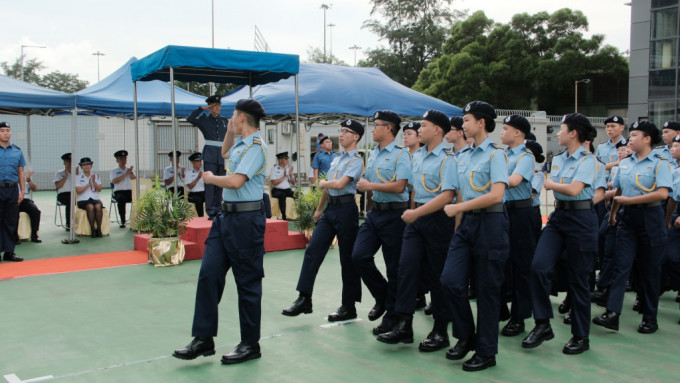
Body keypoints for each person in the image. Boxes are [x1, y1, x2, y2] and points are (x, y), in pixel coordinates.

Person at [173, 98, 268, 365]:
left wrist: (211, 178)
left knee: (247, 283)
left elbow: (236, 181)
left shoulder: (256, 147)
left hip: (246, 221)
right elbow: (225, 153)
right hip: (225, 218)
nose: (230, 119)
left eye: (233, 116)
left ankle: (250, 343)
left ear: (242, 118)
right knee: (208, 275)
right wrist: (228, 131)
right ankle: (203, 338)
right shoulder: (239, 144)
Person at [378, 110, 457, 354]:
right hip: (417, 219)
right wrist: (412, 212)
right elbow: (414, 189)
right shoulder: (417, 156)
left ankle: (440, 331)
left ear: (437, 130)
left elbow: (447, 195)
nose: (418, 130)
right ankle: (404, 325)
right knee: (406, 268)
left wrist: (416, 213)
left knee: (437, 275)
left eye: (423, 126)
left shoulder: (448, 158)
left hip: (437, 219)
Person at [439, 102, 508, 372]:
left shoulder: (496, 155)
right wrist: (459, 220)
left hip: (491, 223)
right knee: (450, 281)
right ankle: (467, 335)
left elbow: (496, 194)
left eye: (466, 120)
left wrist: (458, 209)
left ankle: (486, 351)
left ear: (481, 123)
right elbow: (459, 192)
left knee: (487, 290)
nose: (462, 124)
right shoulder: (463, 155)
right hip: (467, 225)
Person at [521, 113, 598, 355]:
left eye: (561, 129)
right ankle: (543, 323)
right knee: (538, 267)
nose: (557, 133)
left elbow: (575, 189)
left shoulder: (588, 161)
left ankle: (581, 336)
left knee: (579, 279)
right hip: (559, 218)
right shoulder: (558, 159)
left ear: (573, 133)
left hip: (582, 219)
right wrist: (552, 184)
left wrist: (551, 185)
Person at [592, 121, 672, 334]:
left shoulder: (660, 163)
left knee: (649, 271)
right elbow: (618, 191)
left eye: (635, 135)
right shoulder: (625, 163)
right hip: (627, 220)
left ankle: (649, 317)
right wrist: (614, 213)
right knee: (621, 266)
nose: (631, 138)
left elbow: (663, 194)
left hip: (651, 219)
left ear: (647, 139)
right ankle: (612, 314)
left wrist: (629, 202)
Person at [282, 119, 365, 321]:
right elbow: (328, 187)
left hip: (346, 209)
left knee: (347, 259)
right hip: (330, 210)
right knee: (312, 250)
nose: (341, 134)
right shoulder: (337, 159)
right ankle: (304, 298)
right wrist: (319, 209)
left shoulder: (357, 160)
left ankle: (349, 306)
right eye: (340, 130)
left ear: (356, 137)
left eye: (345, 131)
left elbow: (339, 184)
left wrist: (323, 182)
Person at [352, 110, 411, 333]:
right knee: (359, 256)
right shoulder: (373, 153)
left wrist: (370, 186)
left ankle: (392, 317)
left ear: (389, 128)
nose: (372, 129)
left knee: (393, 268)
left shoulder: (401, 154)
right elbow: (369, 179)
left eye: (376, 125)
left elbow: (400, 186)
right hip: (375, 213)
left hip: (395, 215)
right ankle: (384, 297)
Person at [495, 115, 538, 338]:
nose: (502, 133)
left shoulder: (526, 155)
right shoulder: (501, 154)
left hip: (521, 212)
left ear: (518, 133)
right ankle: (501, 307)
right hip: (502, 210)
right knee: (501, 261)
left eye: (506, 129)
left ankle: (519, 317)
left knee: (521, 265)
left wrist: (492, 180)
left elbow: (514, 181)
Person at [187, 95, 229, 219]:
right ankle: (211, 211)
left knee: (220, 183)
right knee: (210, 184)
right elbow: (190, 118)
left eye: (219, 105)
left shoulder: (224, 121)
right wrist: (202, 109)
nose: (217, 108)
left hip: (222, 155)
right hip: (210, 155)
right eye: (214, 106)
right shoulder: (204, 120)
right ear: (210, 107)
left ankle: (219, 208)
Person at [0, 121, 26, 262]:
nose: (5, 133)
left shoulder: (17, 151)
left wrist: (22, 192)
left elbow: (21, 172)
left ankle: (9, 252)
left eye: (8, 130)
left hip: (12, 189)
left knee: (11, 221)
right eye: (2, 130)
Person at [75, 157, 104, 238]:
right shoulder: (78, 177)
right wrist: (88, 184)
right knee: (90, 207)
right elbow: (78, 191)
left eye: (88, 164)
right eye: (84, 165)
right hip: (83, 200)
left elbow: (100, 189)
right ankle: (92, 229)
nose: (86, 166)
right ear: (81, 166)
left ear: (91, 165)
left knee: (98, 206)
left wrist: (94, 182)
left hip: (94, 198)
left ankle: (99, 229)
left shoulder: (96, 176)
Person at [110, 150, 135, 228]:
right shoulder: (114, 171)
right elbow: (115, 181)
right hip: (119, 192)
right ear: (117, 160)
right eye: (121, 159)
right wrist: (126, 174)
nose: (123, 161)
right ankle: (122, 221)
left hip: (130, 191)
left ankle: (135, 220)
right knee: (121, 199)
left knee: (138, 198)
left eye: (125, 159)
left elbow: (134, 179)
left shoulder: (130, 170)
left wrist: (130, 172)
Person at [270, 151, 296, 220]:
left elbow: (293, 183)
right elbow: (274, 183)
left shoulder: (288, 169)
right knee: (282, 195)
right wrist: (284, 176)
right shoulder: (274, 169)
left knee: (298, 194)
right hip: (277, 190)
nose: (287, 160)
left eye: (287, 159)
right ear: (280, 160)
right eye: (285, 159)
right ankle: (283, 216)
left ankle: (297, 214)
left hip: (287, 190)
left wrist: (290, 175)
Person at [18, 170, 41, 243]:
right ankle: (14, 236)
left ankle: (34, 235)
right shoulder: (10, 179)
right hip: (14, 200)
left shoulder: (25, 179)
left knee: (36, 212)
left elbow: (34, 189)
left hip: (26, 200)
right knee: (13, 214)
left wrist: (28, 180)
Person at [54, 152, 75, 231]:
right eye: (68, 162)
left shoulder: (78, 172)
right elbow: (58, 185)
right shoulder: (59, 173)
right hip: (64, 195)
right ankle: (69, 224)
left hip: (76, 194)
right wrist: (65, 176)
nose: (70, 164)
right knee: (70, 201)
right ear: (64, 163)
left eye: (71, 162)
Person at [185, 152, 206, 217]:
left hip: (204, 192)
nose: (200, 163)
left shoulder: (204, 171)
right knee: (198, 200)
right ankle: (200, 217)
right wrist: (198, 177)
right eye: (197, 161)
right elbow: (190, 186)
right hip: (194, 194)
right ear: (192, 162)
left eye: (200, 161)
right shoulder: (189, 173)